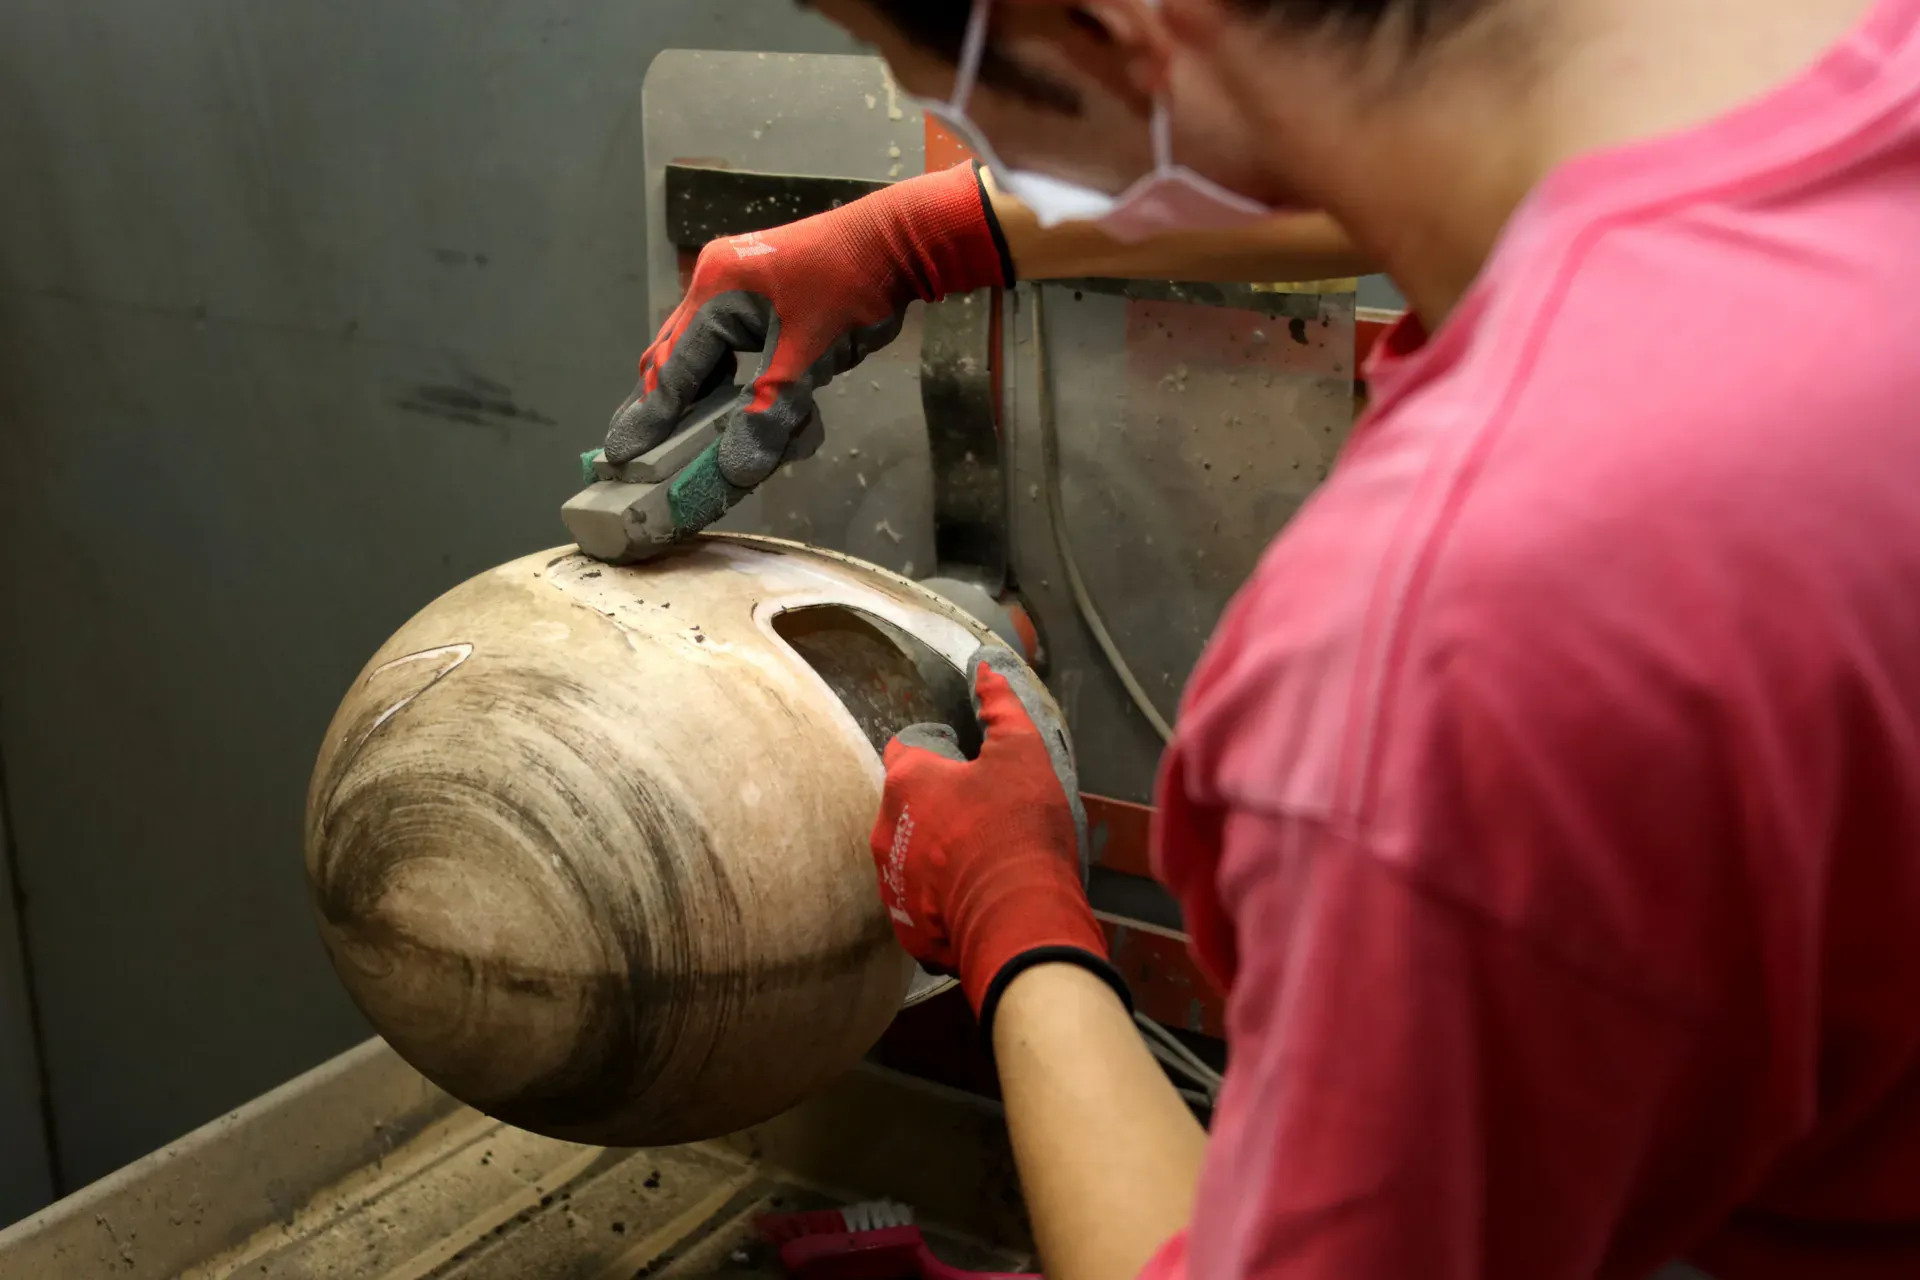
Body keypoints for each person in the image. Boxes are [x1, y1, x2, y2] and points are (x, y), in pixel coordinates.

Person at [611, 1, 1920, 1277]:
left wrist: (1014, 913)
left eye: (924, 71)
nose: (946, 122)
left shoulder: (1460, 646)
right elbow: (1365, 143)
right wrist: (923, 235)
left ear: (1110, 30)